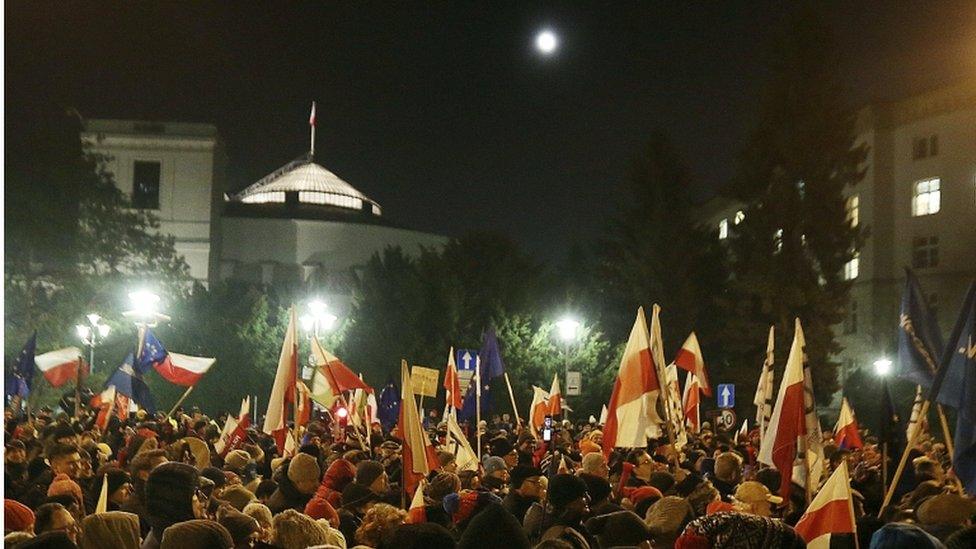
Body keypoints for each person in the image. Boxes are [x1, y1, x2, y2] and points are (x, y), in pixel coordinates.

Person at [143, 462, 206, 549]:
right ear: (178, 496)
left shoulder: (170, 534)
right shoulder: (174, 543)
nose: (202, 500)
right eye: (196, 492)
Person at [539, 474, 594, 549]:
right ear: (568, 502)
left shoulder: (576, 527)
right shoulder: (558, 538)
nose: (589, 498)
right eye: (583, 496)